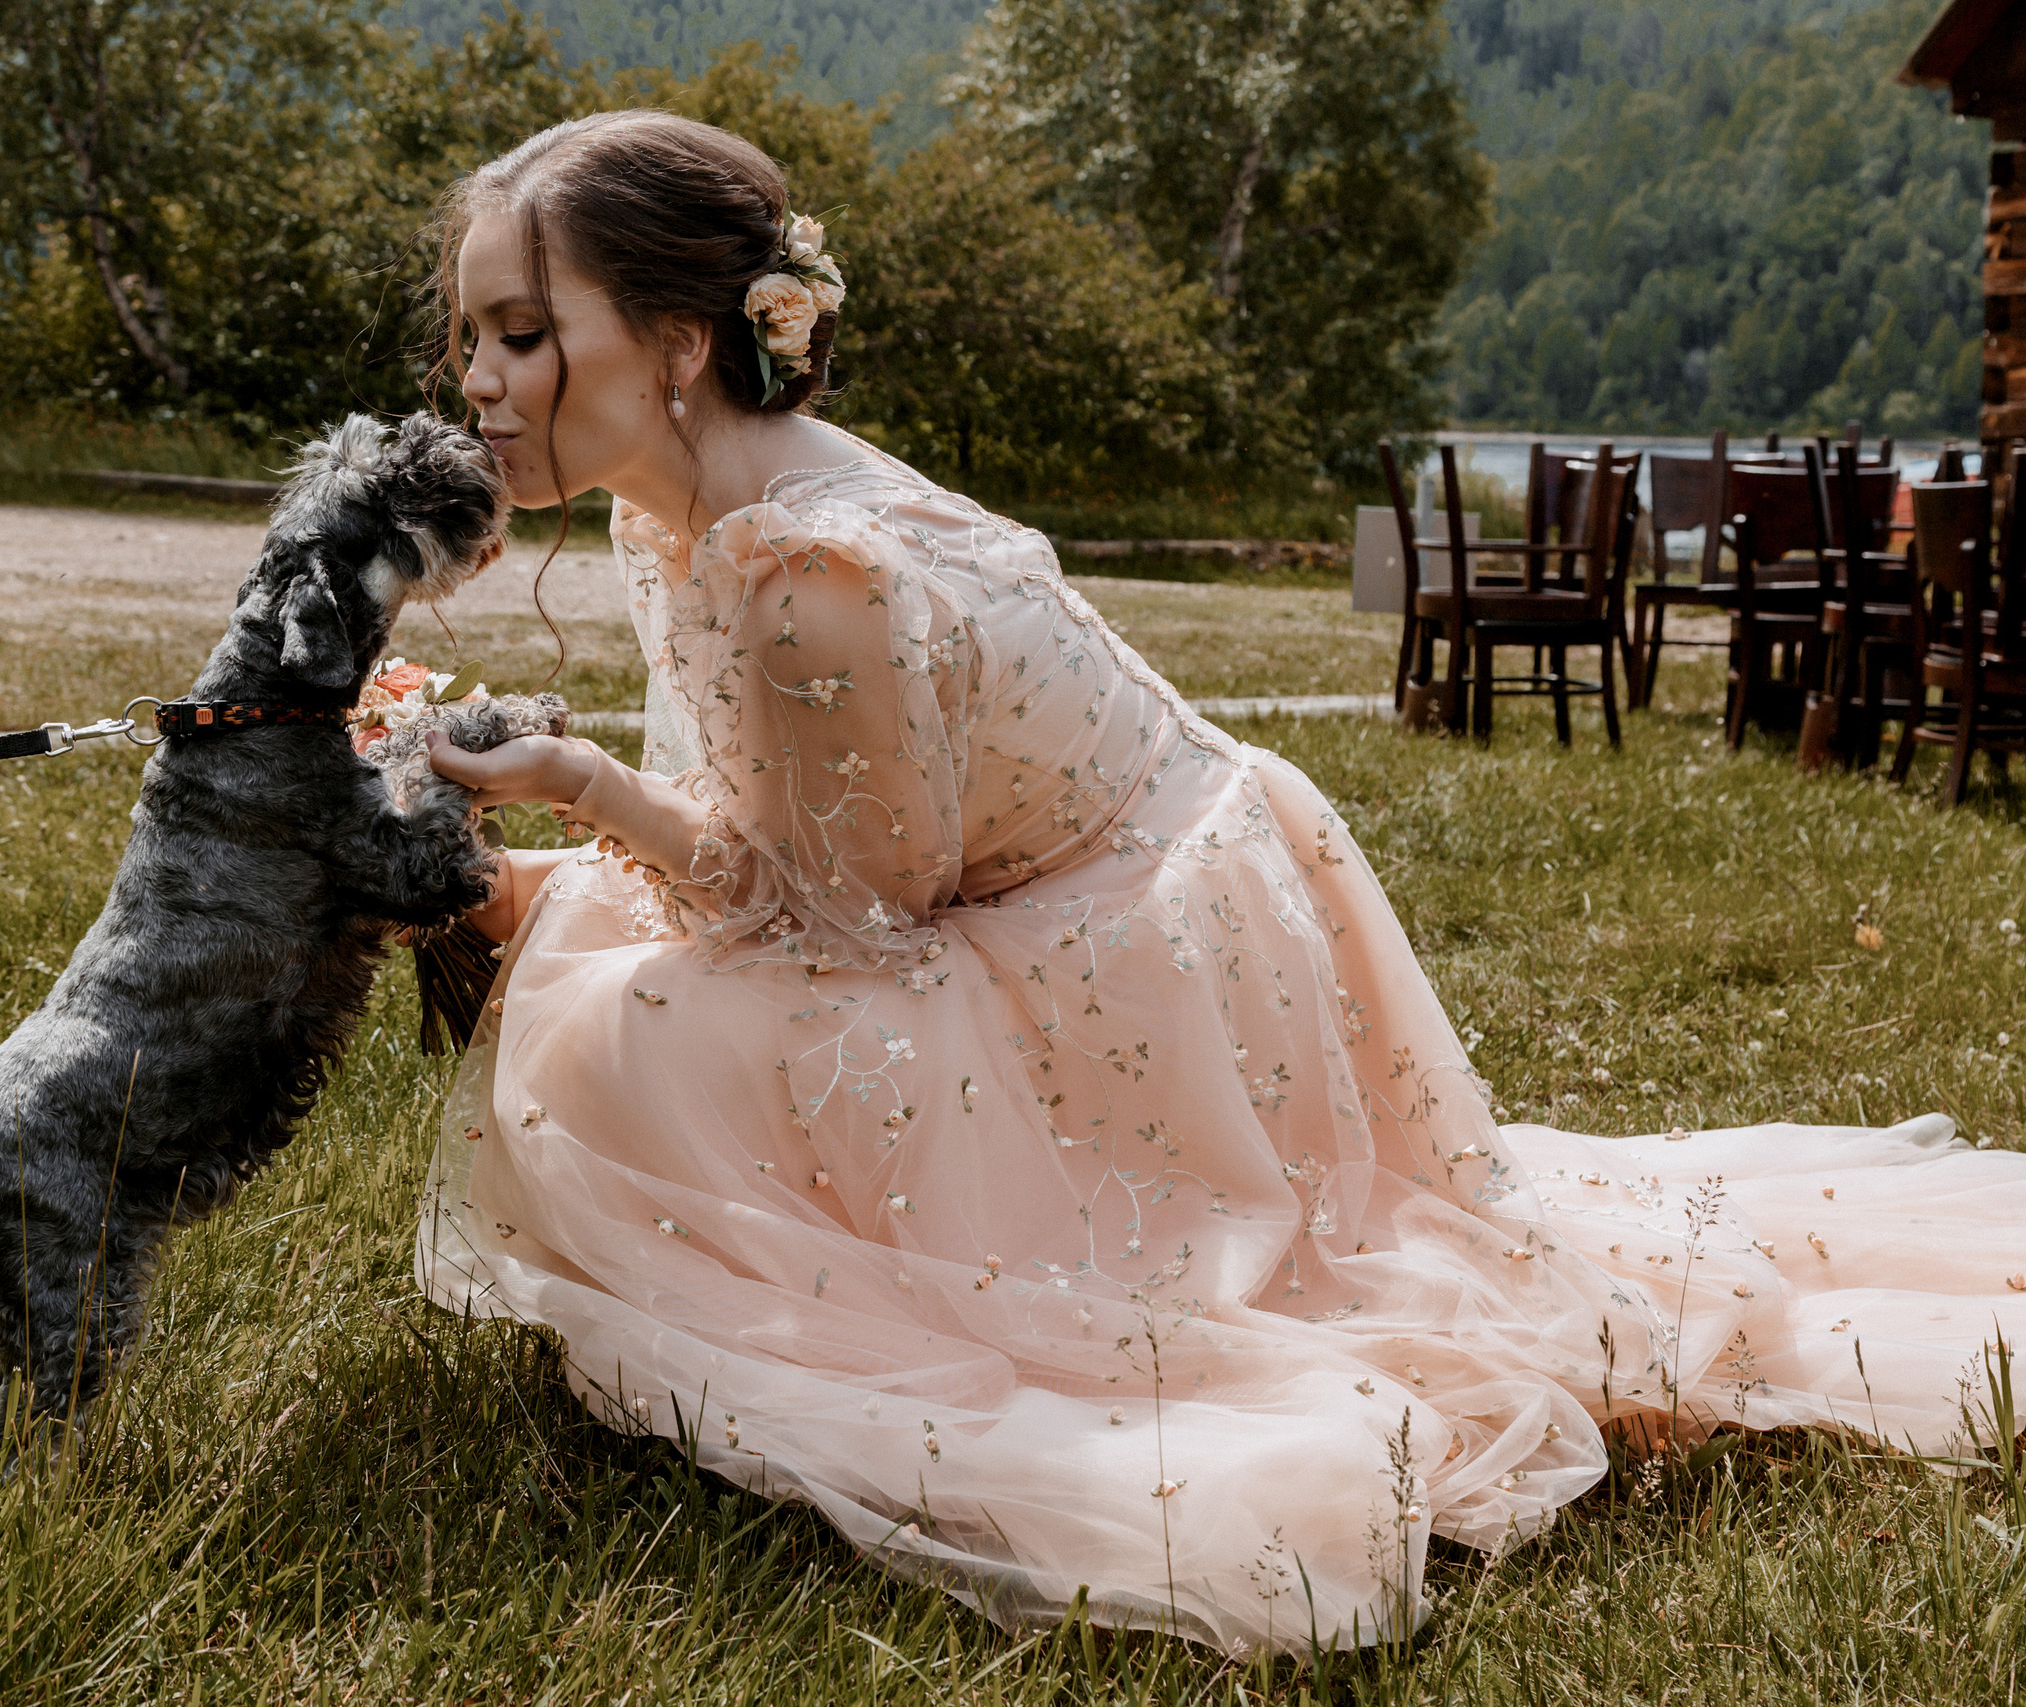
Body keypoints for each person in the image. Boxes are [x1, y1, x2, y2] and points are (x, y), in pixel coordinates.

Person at [414, 109, 2026, 1659]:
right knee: (620, 951)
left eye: (522, 335)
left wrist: (578, 801)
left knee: (636, 1036)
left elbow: (842, 932)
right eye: (474, 337)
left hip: (1133, 951)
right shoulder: (691, 502)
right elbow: (792, 830)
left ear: (683, 345)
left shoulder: (803, 573)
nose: (478, 381)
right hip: (1058, 886)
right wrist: (577, 827)